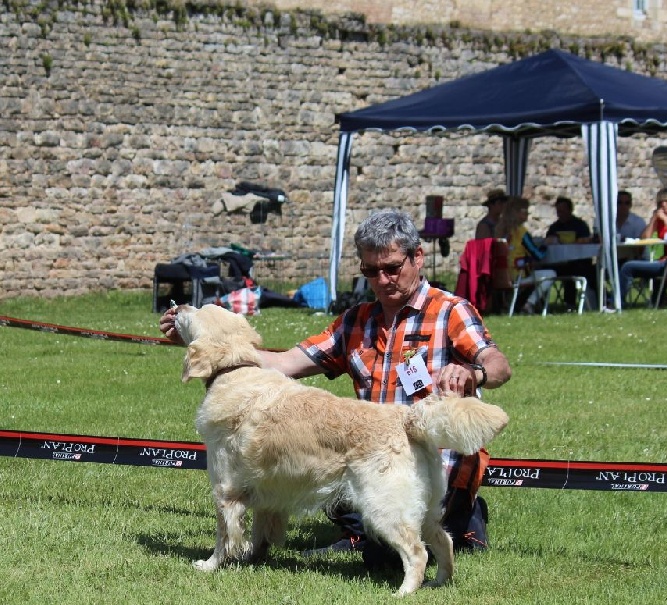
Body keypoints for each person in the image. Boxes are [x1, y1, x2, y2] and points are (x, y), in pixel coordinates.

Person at [159, 209, 512, 562]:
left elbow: (499, 365)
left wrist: (474, 373)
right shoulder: (356, 322)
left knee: (388, 554)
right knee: (320, 469)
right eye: (370, 271)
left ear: (417, 257)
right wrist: (204, 345)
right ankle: (364, 530)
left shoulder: (451, 311)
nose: (383, 280)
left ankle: (461, 516)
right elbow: (284, 363)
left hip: (433, 460)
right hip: (373, 456)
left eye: (392, 268)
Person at [495, 196, 556, 314]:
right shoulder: (521, 233)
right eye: (525, 211)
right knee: (551, 274)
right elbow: (538, 255)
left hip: (501, 277)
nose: (527, 214)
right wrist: (545, 244)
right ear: (516, 213)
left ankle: (514, 304)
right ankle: (529, 304)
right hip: (517, 276)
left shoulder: (499, 230)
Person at [544, 196, 595, 310]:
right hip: (559, 263)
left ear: (570, 210)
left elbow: (586, 241)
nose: (560, 214)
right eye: (558, 211)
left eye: (563, 211)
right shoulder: (554, 227)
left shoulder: (580, 225)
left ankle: (572, 302)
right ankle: (541, 303)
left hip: (579, 262)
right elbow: (547, 241)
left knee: (581, 270)